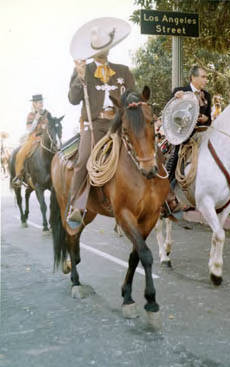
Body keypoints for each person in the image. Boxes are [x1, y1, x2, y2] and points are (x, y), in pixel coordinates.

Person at [67, 18, 135, 225]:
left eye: (106, 47)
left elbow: (133, 95)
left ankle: (165, 200)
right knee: (84, 159)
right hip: (95, 124)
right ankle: (76, 206)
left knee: (145, 151)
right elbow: (72, 99)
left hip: (119, 123)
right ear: (92, 49)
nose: (103, 51)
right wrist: (79, 79)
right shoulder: (84, 70)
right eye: (99, 48)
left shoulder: (123, 71)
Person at [13, 94, 49, 186]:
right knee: (21, 153)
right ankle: (18, 176)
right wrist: (36, 120)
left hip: (45, 137)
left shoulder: (47, 113)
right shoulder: (31, 115)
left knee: (57, 148)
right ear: (34, 104)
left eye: (42, 102)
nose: (41, 104)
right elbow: (29, 129)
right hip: (33, 137)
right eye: (39, 102)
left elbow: (50, 124)